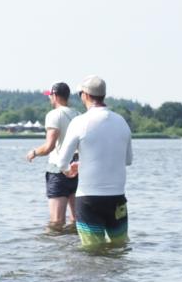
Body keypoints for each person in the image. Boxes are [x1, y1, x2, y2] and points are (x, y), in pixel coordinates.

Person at [53, 75, 133, 248]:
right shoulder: (121, 122)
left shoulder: (80, 122)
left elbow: (61, 163)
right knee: (119, 249)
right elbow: (127, 160)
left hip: (89, 200)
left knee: (92, 252)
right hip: (117, 199)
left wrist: (71, 169)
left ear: (86, 95)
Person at [26, 82, 80, 230]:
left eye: (50, 95)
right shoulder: (78, 115)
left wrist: (34, 152)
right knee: (76, 220)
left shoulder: (54, 115)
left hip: (58, 171)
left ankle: (56, 251)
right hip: (77, 169)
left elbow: (49, 147)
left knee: (56, 222)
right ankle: (75, 250)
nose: (49, 98)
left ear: (55, 96)